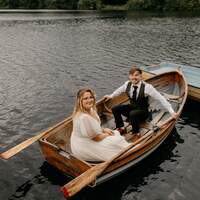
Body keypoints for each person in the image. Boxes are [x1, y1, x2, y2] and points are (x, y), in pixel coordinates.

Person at [104, 66, 178, 136]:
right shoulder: (127, 84)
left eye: (136, 75)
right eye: (132, 75)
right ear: (129, 76)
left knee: (133, 114)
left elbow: (161, 98)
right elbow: (118, 91)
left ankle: (136, 132)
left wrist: (172, 112)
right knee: (115, 109)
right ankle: (121, 128)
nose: (134, 77)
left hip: (143, 112)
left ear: (141, 76)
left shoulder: (147, 87)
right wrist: (111, 96)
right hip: (132, 109)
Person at [70, 88, 130, 162]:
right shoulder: (84, 118)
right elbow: (96, 138)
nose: (89, 100)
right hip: (84, 146)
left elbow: (93, 127)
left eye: (91, 97)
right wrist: (106, 135)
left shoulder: (90, 109)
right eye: (85, 98)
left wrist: (103, 130)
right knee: (116, 140)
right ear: (80, 101)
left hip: (88, 138)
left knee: (115, 133)